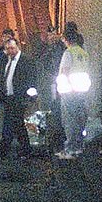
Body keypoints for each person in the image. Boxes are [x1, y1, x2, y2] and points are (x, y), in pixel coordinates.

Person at [0, 38, 38, 161]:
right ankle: (25, 150)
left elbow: (32, 79)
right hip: (7, 97)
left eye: (12, 48)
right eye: (8, 49)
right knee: (17, 124)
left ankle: (3, 151)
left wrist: (29, 97)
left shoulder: (26, 61)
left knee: (12, 123)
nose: (10, 51)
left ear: (17, 47)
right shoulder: (5, 61)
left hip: (19, 98)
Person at [55, 29, 91, 159]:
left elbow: (65, 71)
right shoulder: (83, 53)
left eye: (63, 39)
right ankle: (79, 146)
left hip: (69, 91)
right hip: (81, 91)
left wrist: (61, 87)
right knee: (79, 119)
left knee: (69, 120)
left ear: (66, 39)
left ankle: (70, 149)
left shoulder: (68, 53)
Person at [39, 25, 67, 153]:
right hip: (51, 81)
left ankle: (58, 136)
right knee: (51, 108)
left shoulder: (62, 48)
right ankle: (53, 137)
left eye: (53, 34)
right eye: (49, 34)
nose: (51, 37)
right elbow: (41, 61)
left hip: (60, 82)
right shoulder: (47, 48)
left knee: (58, 108)